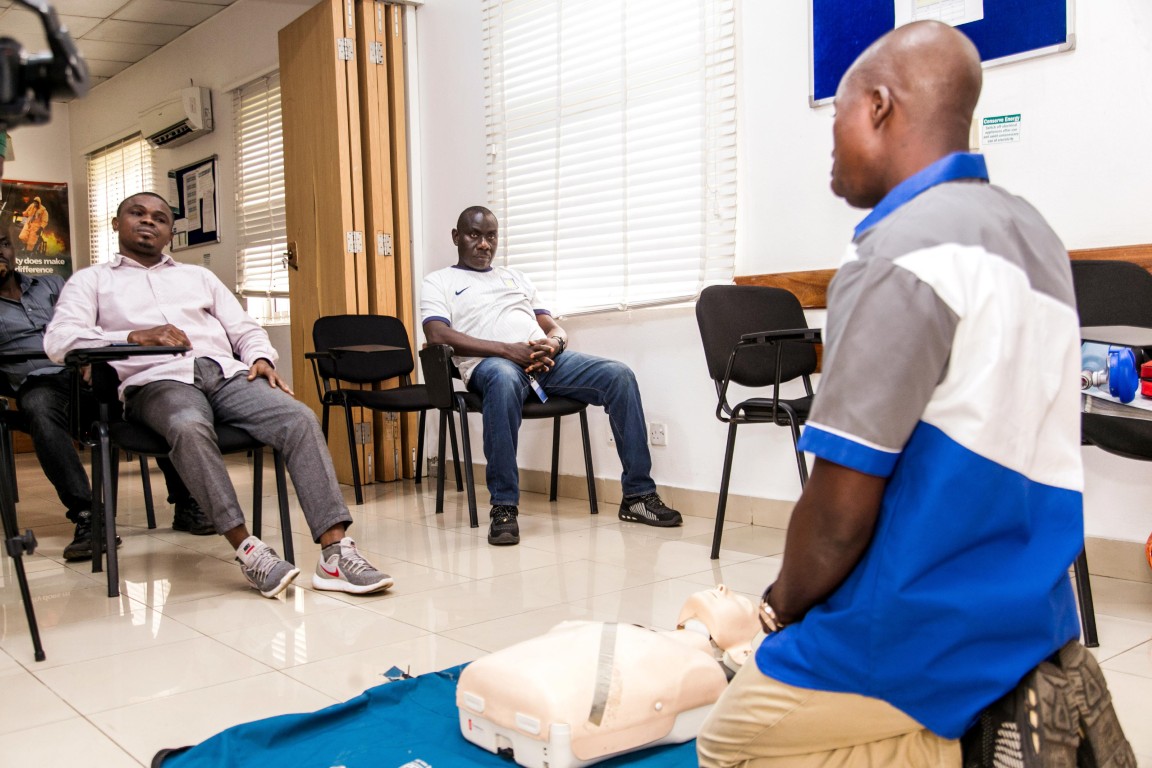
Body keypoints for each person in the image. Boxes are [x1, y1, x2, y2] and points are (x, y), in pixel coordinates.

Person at [697, 21, 1122, 767]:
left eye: (837, 116)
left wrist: (776, 611)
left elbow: (838, 515)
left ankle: (960, 745)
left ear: (879, 106)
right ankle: (997, 706)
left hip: (916, 624)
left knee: (728, 740)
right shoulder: (1035, 238)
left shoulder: (898, 253)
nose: (831, 145)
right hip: (1033, 612)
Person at [44, 191, 393, 598]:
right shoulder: (92, 281)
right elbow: (59, 340)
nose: (148, 221)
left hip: (225, 374)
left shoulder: (199, 278)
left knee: (298, 417)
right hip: (156, 381)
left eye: (159, 218)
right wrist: (133, 337)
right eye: (137, 213)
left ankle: (334, 554)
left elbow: (244, 328)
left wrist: (259, 356)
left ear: (170, 234)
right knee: (188, 426)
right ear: (117, 224)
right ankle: (250, 551)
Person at [421, 206, 681, 546]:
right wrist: (507, 350)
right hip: (492, 366)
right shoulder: (439, 281)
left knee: (619, 376)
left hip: (543, 364)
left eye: (491, 236)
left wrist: (555, 344)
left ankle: (638, 496)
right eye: (475, 235)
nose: (484, 244)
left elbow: (553, 327)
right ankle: (504, 507)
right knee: (502, 378)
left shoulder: (516, 278)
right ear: (457, 237)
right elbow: (436, 334)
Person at [0, 224, 213, 560]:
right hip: (40, 383)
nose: (1, 253)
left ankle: (185, 502)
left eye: (3, 244)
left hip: (92, 372)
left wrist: (90, 355)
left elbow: (94, 323)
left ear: (13, 249)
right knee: (39, 405)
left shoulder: (53, 284)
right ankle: (89, 517)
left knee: (151, 392)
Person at [458, 585, 759, 767]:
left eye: (740, 602)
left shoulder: (702, 672)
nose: (722, 587)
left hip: (549, 705)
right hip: (530, 688)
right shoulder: (651, 639)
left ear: (742, 652)